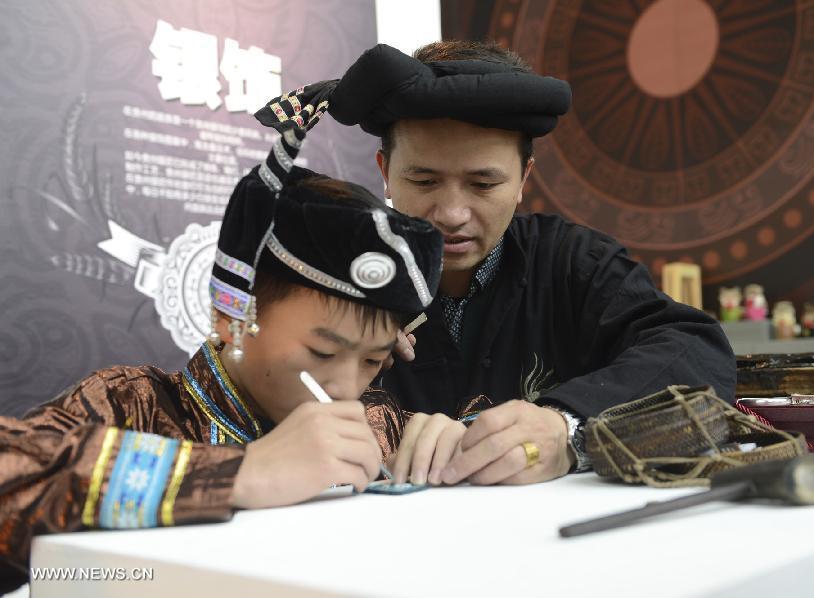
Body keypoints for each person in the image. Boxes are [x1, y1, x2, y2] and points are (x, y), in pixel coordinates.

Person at [0, 88, 444, 590]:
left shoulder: (374, 421)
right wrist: (242, 472)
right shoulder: (131, 406)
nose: (346, 387)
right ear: (231, 316)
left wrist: (463, 443)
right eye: (323, 351)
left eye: (372, 361)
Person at [315, 41, 737, 487]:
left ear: (523, 180)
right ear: (384, 172)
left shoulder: (574, 263)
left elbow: (694, 351)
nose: (452, 213)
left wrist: (567, 428)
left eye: (483, 183)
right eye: (423, 180)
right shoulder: (330, 272)